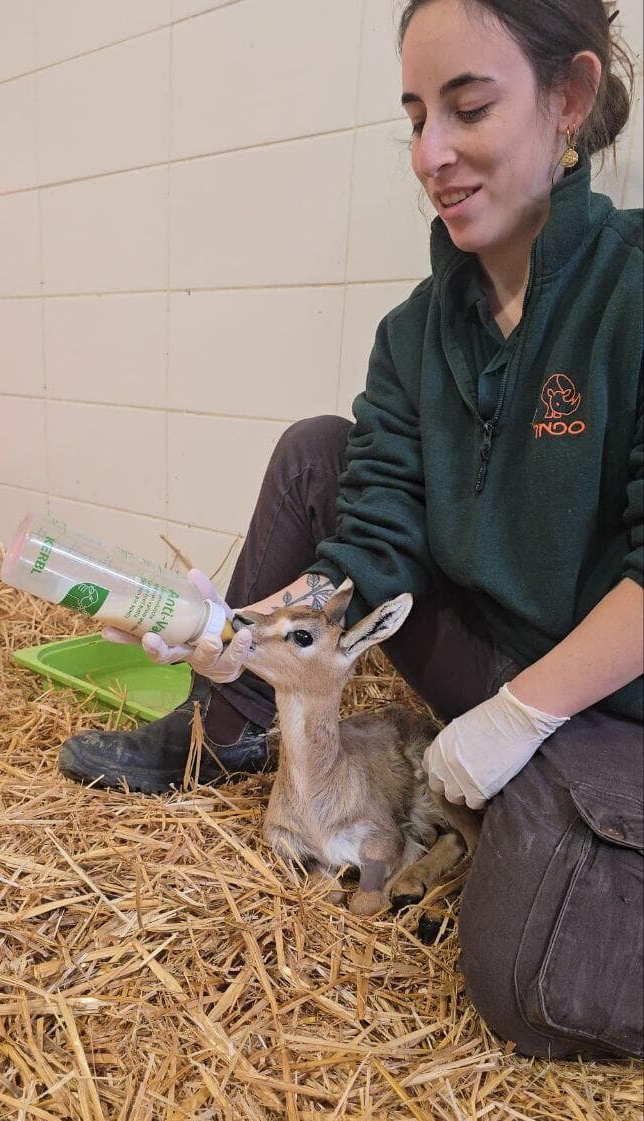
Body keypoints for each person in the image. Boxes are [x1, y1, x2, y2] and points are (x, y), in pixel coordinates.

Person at [59, 0, 643, 1060]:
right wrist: (237, 624)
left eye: (466, 108)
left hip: (602, 699)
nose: (429, 154)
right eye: (414, 114)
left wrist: (517, 716)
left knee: (520, 974)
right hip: (481, 660)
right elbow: (369, 530)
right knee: (316, 450)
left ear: (569, 100)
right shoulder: (416, 332)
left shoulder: (632, 291)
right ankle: (221, 723)